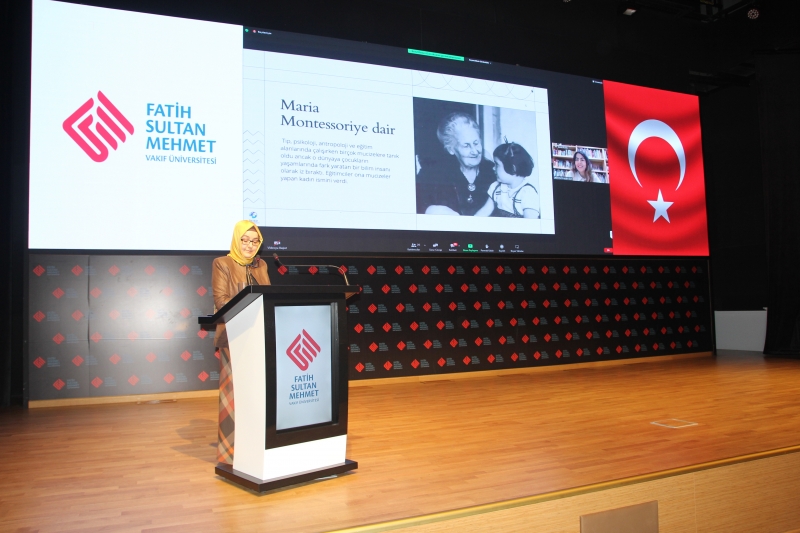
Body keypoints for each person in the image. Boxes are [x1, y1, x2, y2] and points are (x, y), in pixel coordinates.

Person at [211, 220, 271, 465]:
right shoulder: (222, 263)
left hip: (260, 336)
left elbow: (269, 295)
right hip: (234, 336)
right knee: (234, 395)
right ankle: (230, 453)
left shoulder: (261, 265)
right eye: (244, 240)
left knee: (257, 394)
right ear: (237, 240)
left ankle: (257, 445)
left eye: (254, 241)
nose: (249, 245)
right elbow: (221, 300)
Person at [415, 112, 496, 216]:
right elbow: (416, 202)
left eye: (476, 143)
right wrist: (430, 209)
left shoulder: (494, 173)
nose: (475, 151)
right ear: (451, 149)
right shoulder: (435, 175)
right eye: (466, 146)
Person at [475, 142, 540, 218]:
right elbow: (485, 211)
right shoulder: (496, 187)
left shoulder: (527, 193)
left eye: (497, 164)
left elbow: (531, 223)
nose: (493, 168)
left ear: (513, 168)